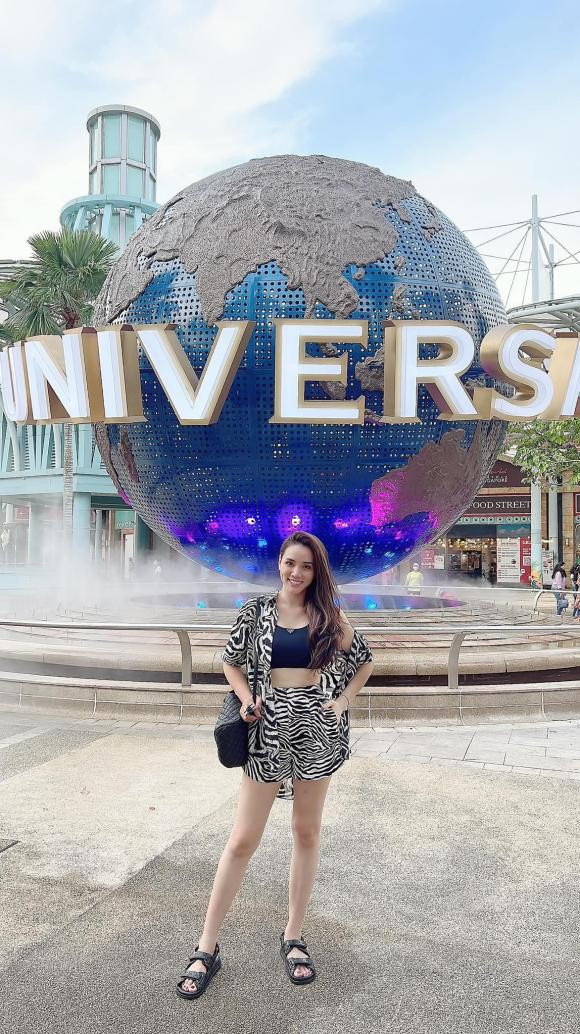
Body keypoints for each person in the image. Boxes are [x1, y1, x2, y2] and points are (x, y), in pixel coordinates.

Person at [176, 531, 374, 999]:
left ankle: (294, 935)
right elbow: (231, 662)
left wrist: (343, 701)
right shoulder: (257, 611)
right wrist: (247, 700)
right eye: (290, 563)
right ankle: (206, 946)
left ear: (316, 571)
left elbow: (365, 661)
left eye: (306, 566)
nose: (296, 573)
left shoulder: (329, 616)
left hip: (316, 725)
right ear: (279, 563)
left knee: (306, 831)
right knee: (242, 839)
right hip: (268, 725)